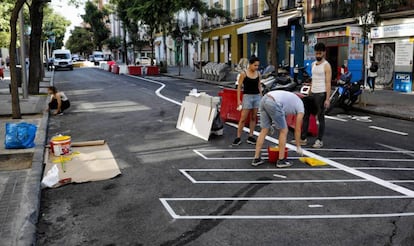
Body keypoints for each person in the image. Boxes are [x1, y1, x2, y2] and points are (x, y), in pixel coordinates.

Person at [252, 90, 304, 167]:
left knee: (264, 130)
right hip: (273, 102)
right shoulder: (301, 108)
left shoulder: (293, 101)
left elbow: (280, 116)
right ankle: (281, 160)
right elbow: (298, 128)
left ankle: (256, 158)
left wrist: (270, 125)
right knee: (284, 131)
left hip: (264, 99)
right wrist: (298, 146)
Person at [296, 42, 331, 148]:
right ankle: (303, 138)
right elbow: (313, 79)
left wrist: (327, 99)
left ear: (324, 53)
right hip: (313, 93)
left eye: (320, 53)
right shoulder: (313, 64)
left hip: (321, 93)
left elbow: (328, 82)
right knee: (305, 114)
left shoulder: (326, 66)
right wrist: (310, 91)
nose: (318, 55)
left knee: (320, 117)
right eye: (316, 53)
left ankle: (319, 140)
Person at [232, 56, 262, 146]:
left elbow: (259, 86)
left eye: (257, 66)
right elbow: (239, 87)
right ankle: (238, 137)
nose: (256, 67)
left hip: (256, 96)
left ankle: (251, 136)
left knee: (253, 117)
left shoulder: (258, 74)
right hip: (247, 97)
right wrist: (239, 100)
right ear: (250, 64)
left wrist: (261, 96)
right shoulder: (243, 74)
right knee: (243, 118)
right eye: (255, 65)